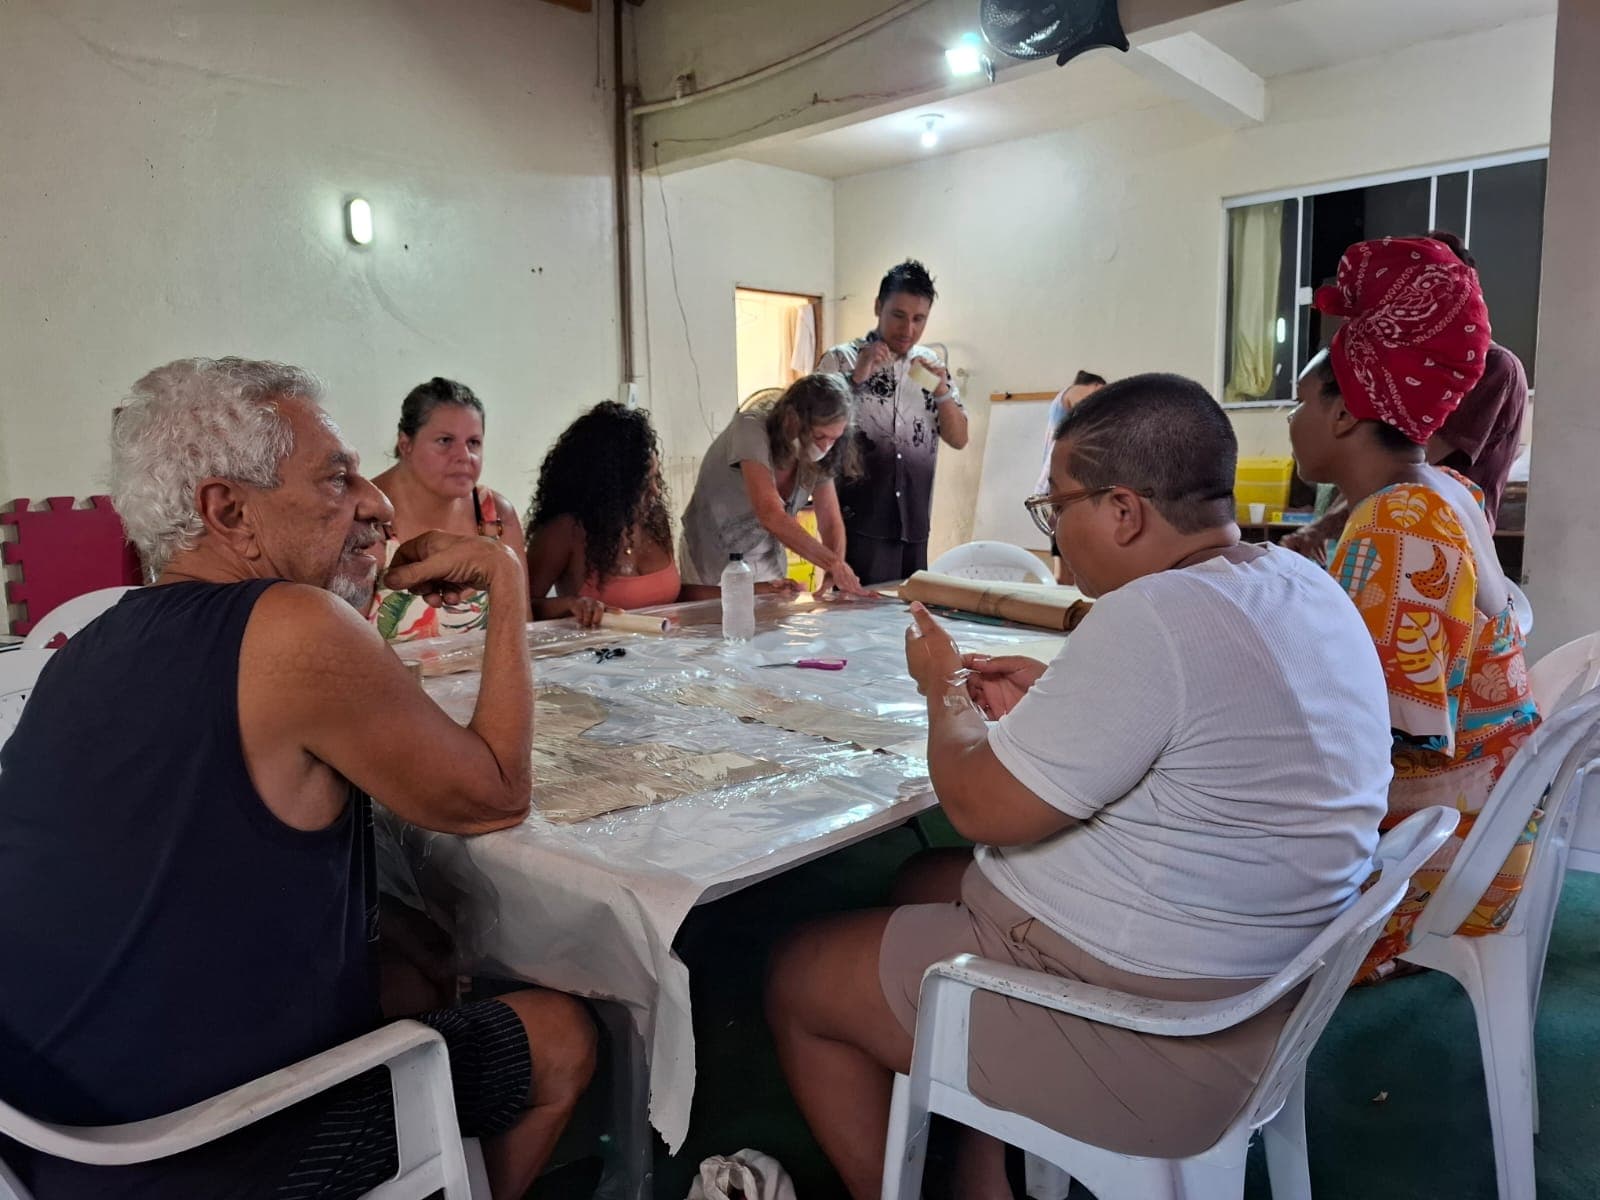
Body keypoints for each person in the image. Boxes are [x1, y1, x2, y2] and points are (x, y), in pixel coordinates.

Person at [766, 373, 1394, 1200]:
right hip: (1263, 977)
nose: (1053, 530)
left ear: (1125, 511)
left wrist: (944, 689)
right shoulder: (1296, 579)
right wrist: (1057, 698)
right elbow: (1191, 733)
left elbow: (976, 804)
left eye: (1057, 506)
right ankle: (987, 1167)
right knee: (918, 881)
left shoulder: (1154, 618)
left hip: (1159, 1030)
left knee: (796, 974)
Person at [0, 358, 594, 1199]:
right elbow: (495, 792)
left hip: (43, 1134)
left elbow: (181, 853)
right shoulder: (289, 625)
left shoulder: (94, 641)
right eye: (336, 478)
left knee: (414, 962)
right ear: (229, 512)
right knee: (559, 1037)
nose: (378, 504)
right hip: (188, 1156)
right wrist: (503, 577)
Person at [1288, 237, 1541, 983]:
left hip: (1436, 865)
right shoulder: (1443, 496)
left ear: (1341, 416)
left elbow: (1389, 740)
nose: (1292, 423)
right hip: (1486, 838)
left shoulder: (1398, 527)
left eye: (1301, 405)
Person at [1283, 231, 1529, 560]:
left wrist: (1322, 527)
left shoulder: (1494, 367)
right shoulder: (1398, 500)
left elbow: (1403, 459)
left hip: (1433, 546)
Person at [525, 401, 799, 626]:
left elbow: (673, 595)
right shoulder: (564, 531)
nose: (655, 492)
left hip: (666, 658)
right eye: (644, 483)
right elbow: (520, 609)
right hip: (600, 667)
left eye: (656, 478)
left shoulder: (653, 520)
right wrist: (570, 605)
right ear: (608, 486)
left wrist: (755, 590)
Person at [818, 260, 969, 585]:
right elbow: (813, 429)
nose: (908, 329)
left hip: (913, 526)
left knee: (906, 621)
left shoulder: (928, 367)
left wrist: (941, 391)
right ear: (878, 307)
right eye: (898, 315)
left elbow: (959, 439)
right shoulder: (842, 358)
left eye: (919, 319)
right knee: (852, 627)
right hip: (856, 523)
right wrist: (856, 378)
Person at [680, 372, 875, 597]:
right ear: (791, 419)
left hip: (767, 560)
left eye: (835, 439)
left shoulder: (823, 454)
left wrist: (835, 569)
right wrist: (832, 563)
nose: (826, 447)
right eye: (820, 436)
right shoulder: (750, 427)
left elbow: (830, 520)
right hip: (714, 555)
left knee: (771, 626)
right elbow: (770, 513)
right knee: (720, 624)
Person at [369, 377, 528, 641]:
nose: (464, 456)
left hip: (484, 682)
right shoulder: (364, 515)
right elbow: (337, 644)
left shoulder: (495, 515)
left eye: (474, 442)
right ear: (405, 443)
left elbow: (522, 633)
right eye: (445, 441)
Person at [1036, 370, 1107, 582]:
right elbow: (1089, 412)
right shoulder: (1078, 391)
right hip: (1060, 487)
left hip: (1057, 486)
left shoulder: (1064, 401)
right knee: (1067, 568)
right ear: (1095, 386)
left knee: (1068, 564)